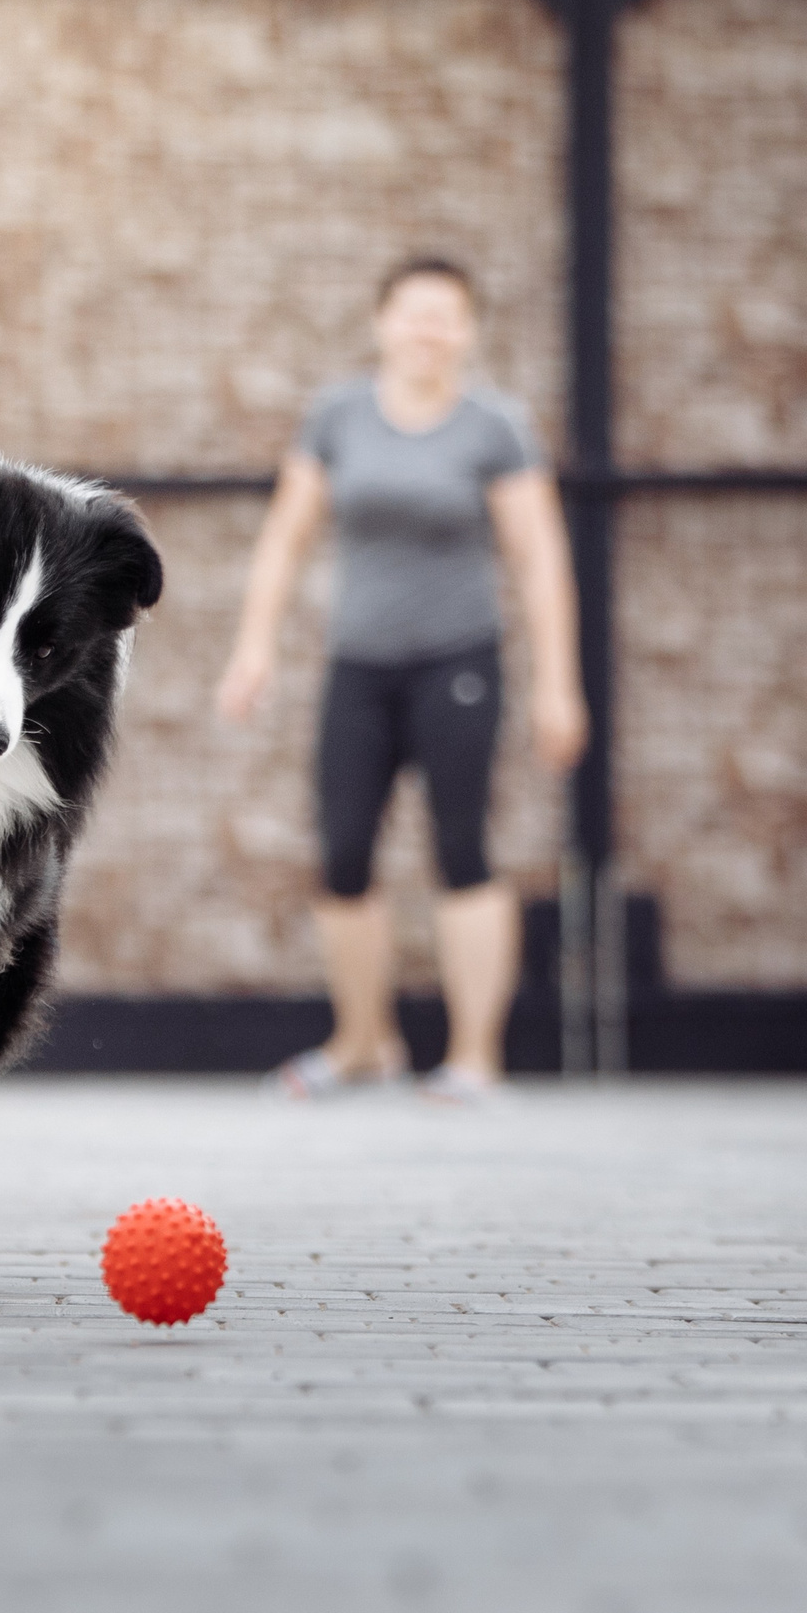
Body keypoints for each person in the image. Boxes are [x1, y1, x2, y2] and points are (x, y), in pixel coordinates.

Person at [215, 256, 587, 1103]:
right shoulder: (338, 415)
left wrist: (558, 685)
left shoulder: (495, 427)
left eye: (447, 316)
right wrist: (254, 647)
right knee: (343, 852)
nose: (429, 330)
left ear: (468, 331)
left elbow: (538, 560)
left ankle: (473, 1057)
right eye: (414, 313)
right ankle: (360, 1045)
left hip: (459, 660)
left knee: (461, 849)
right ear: (382, 322)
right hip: (358, 665)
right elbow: (285, 538)